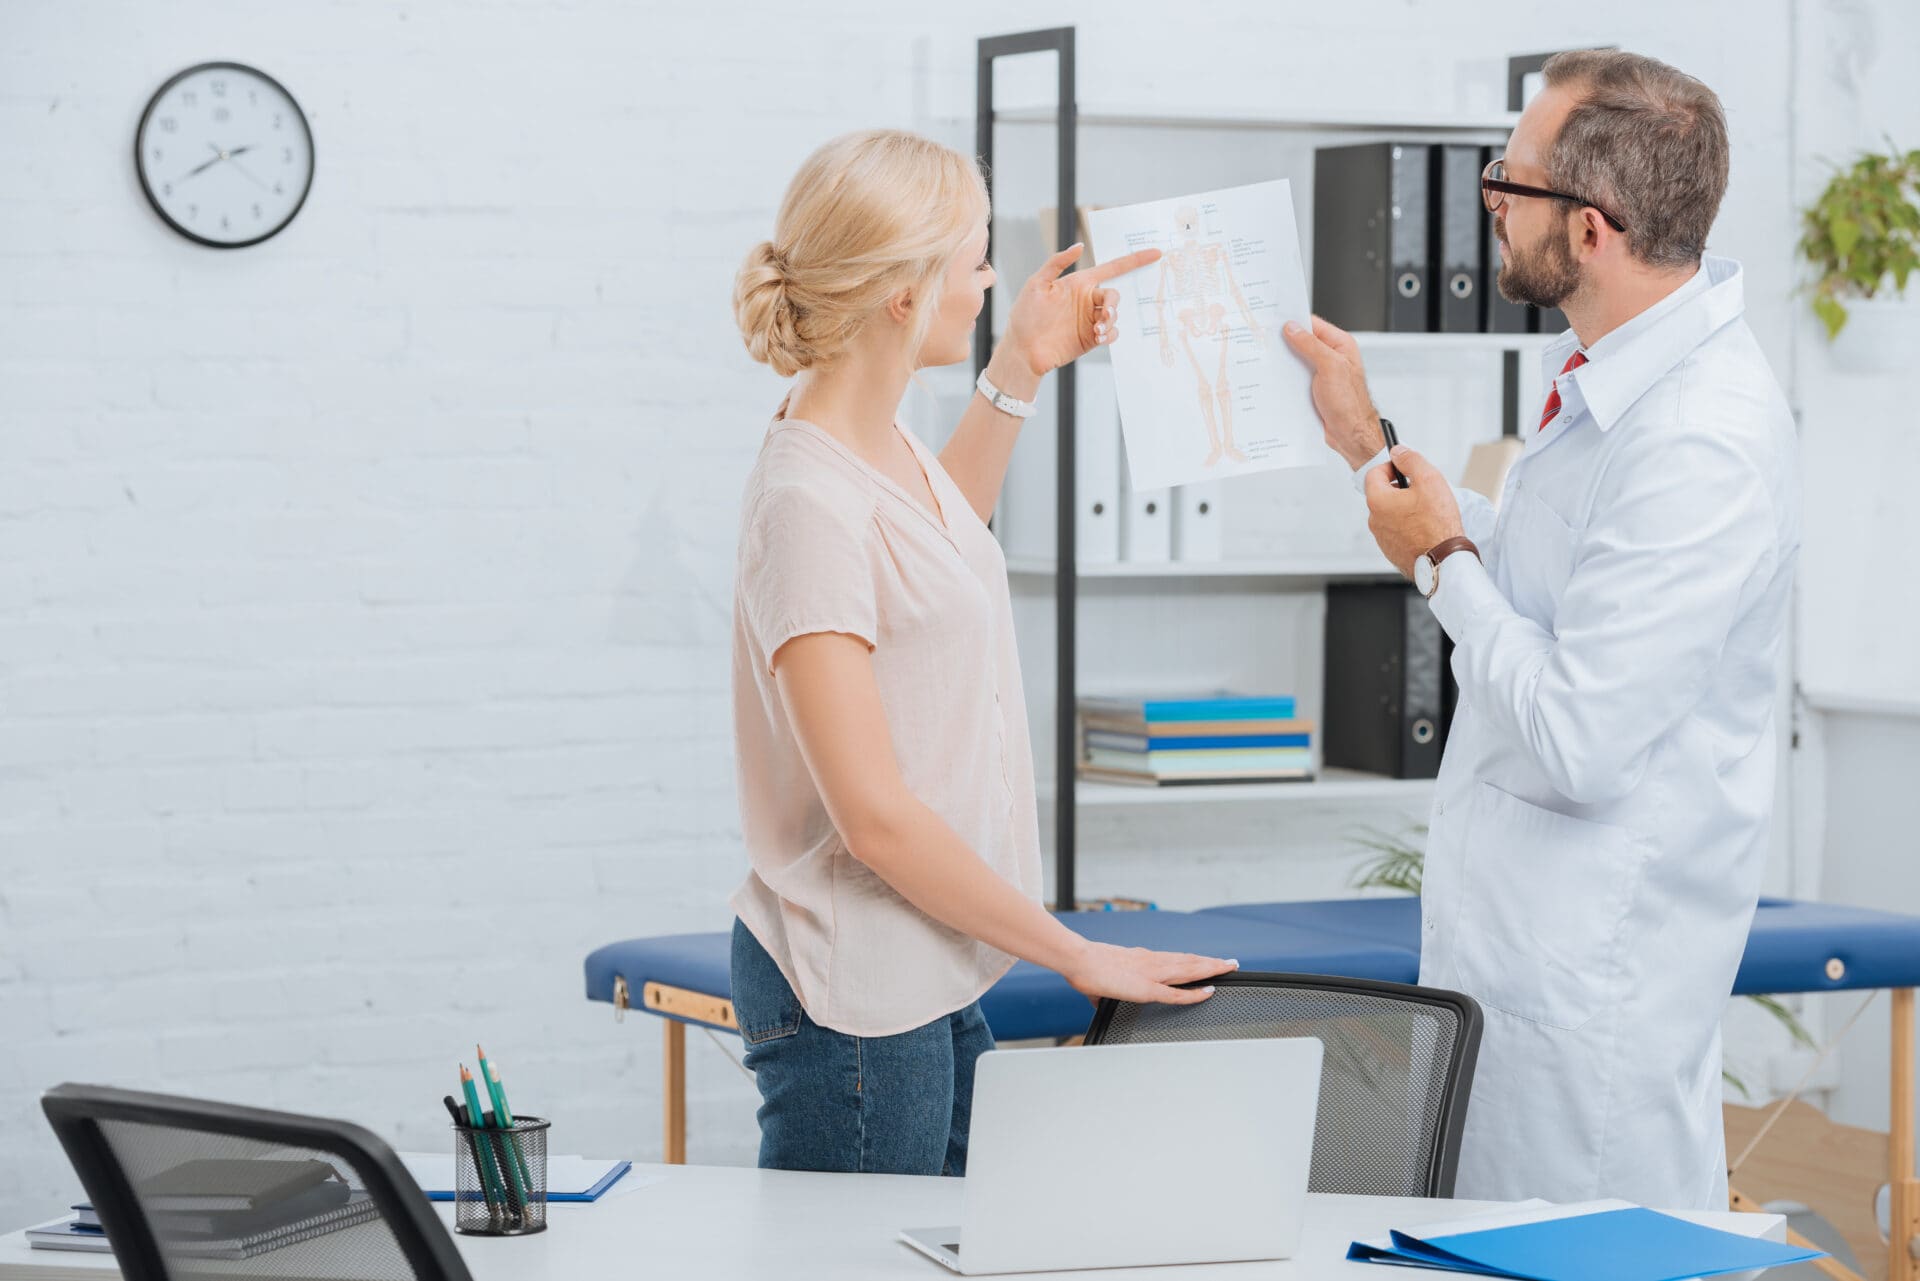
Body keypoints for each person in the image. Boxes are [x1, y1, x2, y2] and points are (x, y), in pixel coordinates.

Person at [1284, 50, 1799, 1209]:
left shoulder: (1700, 440)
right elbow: (1544, 576)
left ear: (1593, 230)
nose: (1489, 206)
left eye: (1505, 182)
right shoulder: (1621, 380)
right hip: (1517, 973)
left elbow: (1582, 736)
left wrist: (1438, 564)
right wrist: (1369, 445)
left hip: (1589, 1016)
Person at [728, 129, 1237, 1177]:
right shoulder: (807, 501)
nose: (992, 277)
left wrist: (1020, 367)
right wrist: (1079, 954)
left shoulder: (874, 440)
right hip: (857, 994)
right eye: (973, 256)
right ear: (903, 294)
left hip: (935, 958)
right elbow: (873, 818)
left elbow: (935, 553)